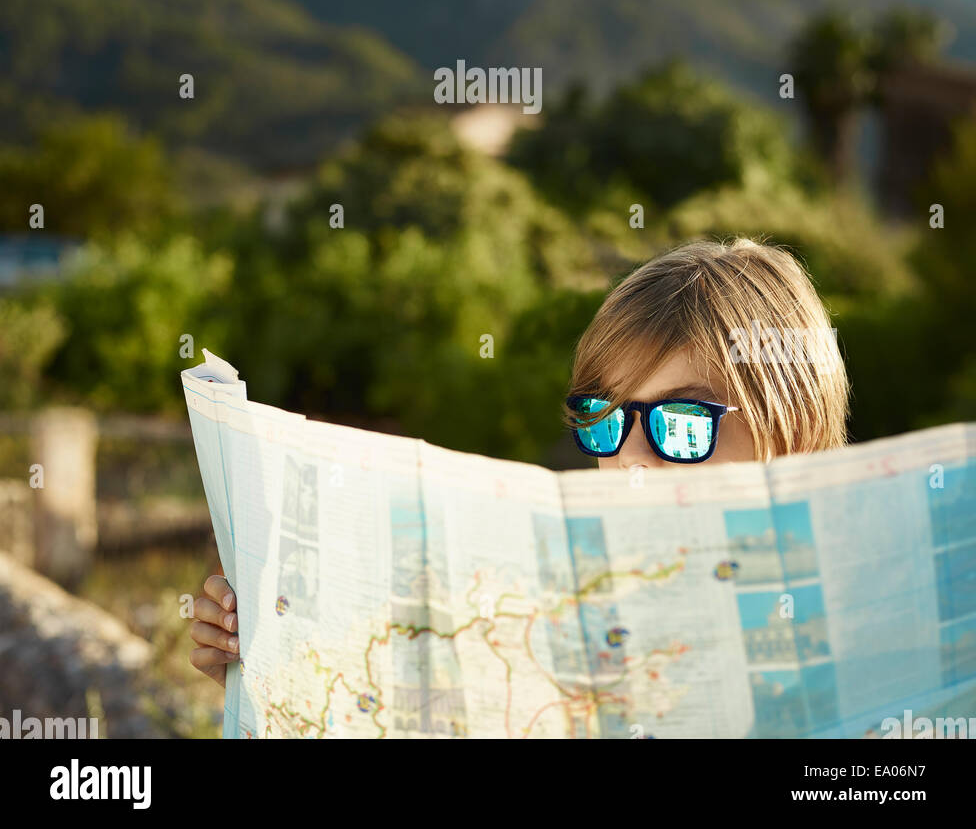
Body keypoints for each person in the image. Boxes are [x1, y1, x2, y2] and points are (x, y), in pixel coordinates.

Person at [189, 236, 849, 684]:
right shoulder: (562, 611)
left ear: (789, 431)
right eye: (607, 422)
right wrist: (269, 660)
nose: (634, 460)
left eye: (680, 424)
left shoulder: (848, 622)